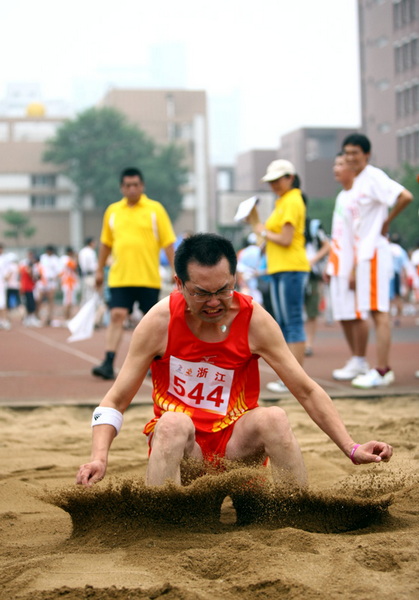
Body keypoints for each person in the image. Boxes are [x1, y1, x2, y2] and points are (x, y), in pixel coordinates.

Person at [76, 233, 393, 489]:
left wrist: (351, 448)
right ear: (179, 284)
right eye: (201, 293)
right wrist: (99, 458)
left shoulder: (254, 320)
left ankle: (296, 512)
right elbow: (116, 399)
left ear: (235, 279)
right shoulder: (159, 323)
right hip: (186, 453)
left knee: (274, 417)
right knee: (172, 423)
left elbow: (306, 390)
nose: (215, 303)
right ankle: (164, 522)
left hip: (237, 451)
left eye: (224, 290)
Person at [342, 133, 413, 388]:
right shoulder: (359, 182)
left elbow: (405, 196)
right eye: (347, 153)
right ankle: (381, 369)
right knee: (374, 312)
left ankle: (382, 371)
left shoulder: (373, 177)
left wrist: (386, 221)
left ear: (366, 154)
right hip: (364, 254)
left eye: (355, 153)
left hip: (374, 252)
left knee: (379, 312)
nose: (350, 157)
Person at [92, 167, 176, 380]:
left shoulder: (155, 209)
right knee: (116, 315)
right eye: (127, 185)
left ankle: (155, 363)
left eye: (136, 185)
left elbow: (168, 243)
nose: (132, 189)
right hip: (120, 277)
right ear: (122, 187)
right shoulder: (113, 211)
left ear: (142, 186)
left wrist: (177, 271)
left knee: (152, 322)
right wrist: (99, 270)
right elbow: (105, 244)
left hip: (148, 277)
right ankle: (108, 362)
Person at [254, 160, 310, 393]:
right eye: (271, 181)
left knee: (292, 322)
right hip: (280, 268)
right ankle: (292, 378)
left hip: (291, 268)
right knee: (286, 323)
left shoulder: (292, 200)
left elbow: (286, 239)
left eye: (278, 179)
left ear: (290, 177)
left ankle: (295, 379)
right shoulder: (283, 201)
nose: (274, 184)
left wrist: (261, 230)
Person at [325, 154, 370, 381]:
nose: (336, 168)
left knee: (357, 314)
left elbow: (360, 234)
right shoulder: (342, 196)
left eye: (340, 164)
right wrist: (330, 265)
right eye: (336, 163)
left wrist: (353, 268)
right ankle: (355, 359)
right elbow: (338, 234)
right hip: (337, 264)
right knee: (343, 314)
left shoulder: (358, 197)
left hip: (352, 265)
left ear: (352, 169)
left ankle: (361, 360)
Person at [303, 218, 330, 356]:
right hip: (292, 273)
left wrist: (312, 260)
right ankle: (295, 343)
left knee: (312, 311)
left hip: (311, 276)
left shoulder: (313, 226)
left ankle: (308, 344)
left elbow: (327, 245)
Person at [36, 245, 62, 325]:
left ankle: (49, 318)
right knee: (39, 299)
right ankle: (37, 315)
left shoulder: (55, 259)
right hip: (42, 281)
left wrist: (55, 279)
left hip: (51, 282)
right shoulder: (43, 257)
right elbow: (39, 268)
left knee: (50, 300)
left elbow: (59, 272)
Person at [19, 250, 42, 327]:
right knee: (30, 303)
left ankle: (29, 318)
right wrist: (36, 276)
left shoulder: (27, 268)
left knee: (30, 303)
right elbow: (33, 277)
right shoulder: (28, 268)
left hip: (29, 287)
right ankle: (30, 318)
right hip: (27, 288)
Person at [60, 247, 79, 321]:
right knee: (68, 301)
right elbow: (74, 266)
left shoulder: (64, 259)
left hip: (68, 283)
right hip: (68, 283)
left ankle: (67, 317)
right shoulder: (67, 259)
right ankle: (66, 318)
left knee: (69, 301)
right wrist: (76, 258)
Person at [78, 237, 98, 305]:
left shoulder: (82, 251)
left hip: (84, 275)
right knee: (92, 296)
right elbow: (92, 266)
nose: (95, 244)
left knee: (86, 296)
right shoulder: (91, 252)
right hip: (91, 275)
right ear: (90, 243)